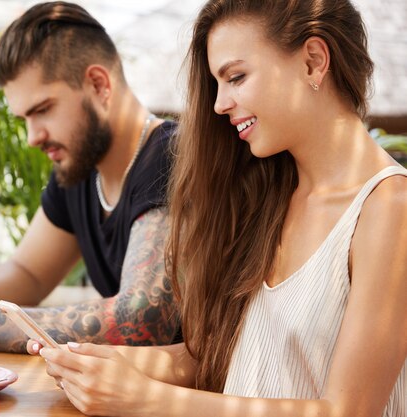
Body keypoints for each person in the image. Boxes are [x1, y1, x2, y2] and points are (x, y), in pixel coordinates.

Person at [33, 0, 407, 415]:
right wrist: (90, 361)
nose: (218, 104)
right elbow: (210, 359)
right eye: (217, 83)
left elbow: (348, 411)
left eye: (236, 77)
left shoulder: (390, 210)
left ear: (313, 62)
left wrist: (147, 400)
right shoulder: (269, 197)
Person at [0, 1, 180, 353]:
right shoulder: (79, 169)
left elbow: (142, 318)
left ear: (98, 84)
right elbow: (27, 272)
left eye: (43, 110)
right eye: (24, 119)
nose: (33, 137)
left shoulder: (172, 158)